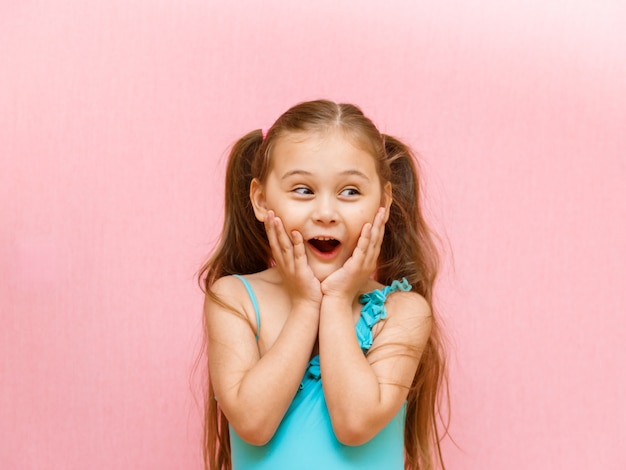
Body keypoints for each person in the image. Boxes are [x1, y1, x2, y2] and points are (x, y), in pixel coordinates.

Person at [198, 100, 448, 469]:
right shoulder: (235, 300)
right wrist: (304, 305)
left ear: (385, 202)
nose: (327, 213)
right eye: (303, 190)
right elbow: (253, 423)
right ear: (261, 200)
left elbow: (355, 423)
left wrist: (335, 299)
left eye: (350, 192)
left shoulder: (402, 312)